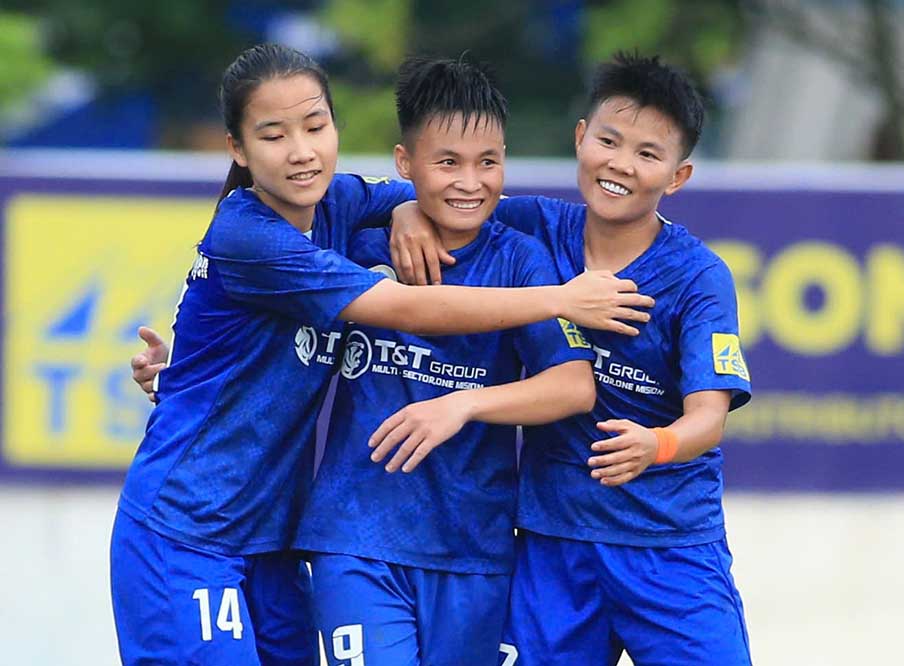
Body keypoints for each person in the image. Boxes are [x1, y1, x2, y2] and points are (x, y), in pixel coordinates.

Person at [110, 43, 652, 666]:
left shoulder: (337, 204)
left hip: (272, 537)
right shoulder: (248, 233)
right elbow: (403, 308)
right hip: (187, 526)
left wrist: (406, 210)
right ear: (237, 149)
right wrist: (559, 298)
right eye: (272, 135)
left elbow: (425, 183)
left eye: (315, 126)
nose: (301, 150)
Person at [390, 52, 753, 666]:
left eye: (648, 154)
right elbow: (442, 193)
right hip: (551, 545)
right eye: (609, 141)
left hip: (667, 545)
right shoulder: (534, 227)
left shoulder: (699, 278)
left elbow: (708, 419)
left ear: (679, 175)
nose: (620, 164)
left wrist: (655, 445)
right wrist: (403, 212)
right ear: (581, 138)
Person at [294, 54, 599, 666]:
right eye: (447, 163)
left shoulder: (523, 262)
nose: (471, 182)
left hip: (473, 551)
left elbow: (574, 387)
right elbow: (267, 325)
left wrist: (463, 405)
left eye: (489, 162)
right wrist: (179, 366)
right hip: (357, 539)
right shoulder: (360, 248)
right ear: (405, 165)